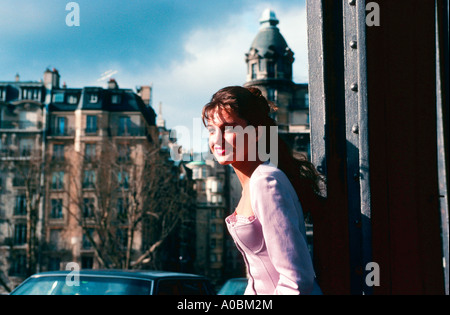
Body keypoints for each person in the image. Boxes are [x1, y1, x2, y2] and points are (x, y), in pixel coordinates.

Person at [202, 86, 323, 295]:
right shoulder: (253, 183)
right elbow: (256, 280)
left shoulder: (266, 181)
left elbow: (296, 282)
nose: (217, 139)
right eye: (212, 130)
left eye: (229, 128)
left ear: (256, 133)